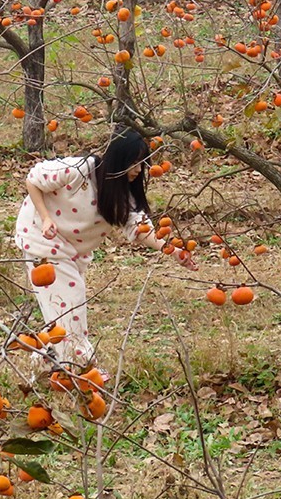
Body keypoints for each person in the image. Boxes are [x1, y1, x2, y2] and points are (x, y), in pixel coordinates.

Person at [13, 126, 196, 366]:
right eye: (133, 163)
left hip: (74, 251)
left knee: (61, 311)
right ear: (118, 159)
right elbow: (34, 180)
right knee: (71, 306)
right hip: (41, 238)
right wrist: (46, 217)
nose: (138, 170)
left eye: (142, 164)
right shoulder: (79, 170)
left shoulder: (124, 196)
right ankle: (83, 368)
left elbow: (140, 230)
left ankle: (47, 364)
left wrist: (171, 250)